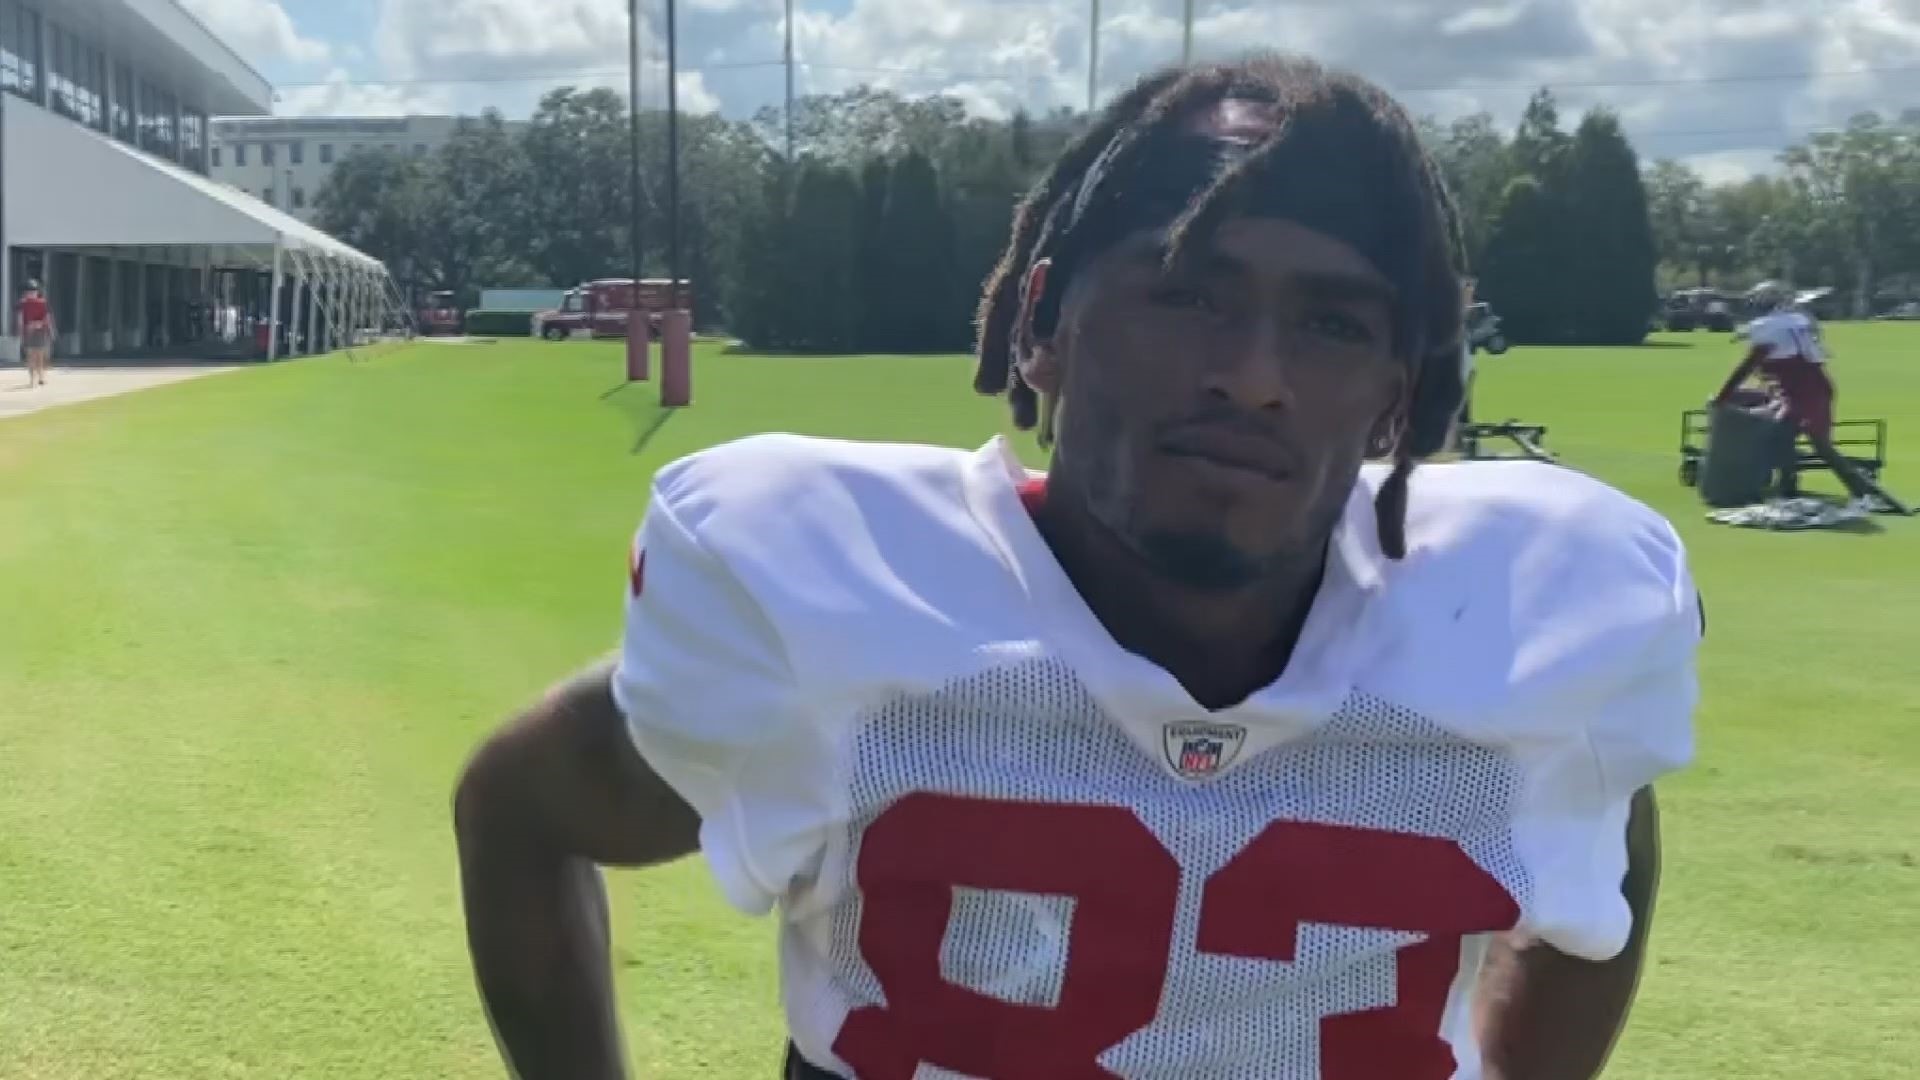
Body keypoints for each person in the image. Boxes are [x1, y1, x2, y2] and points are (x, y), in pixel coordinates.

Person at [455, 53, 1701, 1080]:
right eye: (1186, 293)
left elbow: (1608, 859)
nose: (1254, 373)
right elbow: (518, 805)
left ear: (1397, 397)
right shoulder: (847, 600)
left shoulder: (1534, 628)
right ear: (1042, 323)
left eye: (1332, 323)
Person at [1711, 281, 1891, 511]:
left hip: (1804, 393)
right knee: (1797, 439)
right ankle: (1794, 488)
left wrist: (1723, 395)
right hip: (1810, 389)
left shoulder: (1771, 329)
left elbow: (1748, 366)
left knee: (1801, 440)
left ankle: (1853, 490)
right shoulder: (1794, 323)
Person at [16, 280, 54, 388]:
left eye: (33, 291)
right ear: (26, 293)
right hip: (29, 332)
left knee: (40, 356)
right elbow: (20, 318)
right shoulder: (22, 304)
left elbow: (47, 318)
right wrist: (21, 331)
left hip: (40, 332)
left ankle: (41, 376)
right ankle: (33, 379)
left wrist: (40, 324)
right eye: (29, 291)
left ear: (37, 292)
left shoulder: (42, 303)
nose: (31, 293)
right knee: (30, 356)